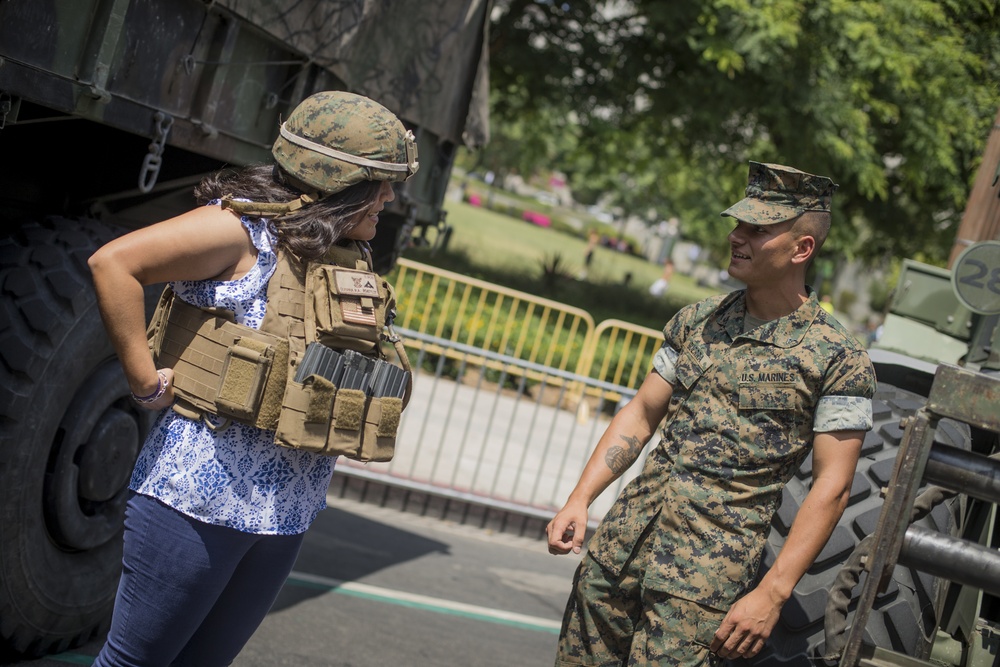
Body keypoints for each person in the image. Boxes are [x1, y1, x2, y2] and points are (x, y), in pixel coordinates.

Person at [87, 90, 418, 667]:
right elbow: (114, 263)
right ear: (338, 178)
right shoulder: (241, 231)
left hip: (287, 507)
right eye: (380, 182)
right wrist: (144, 381)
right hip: (198, 501)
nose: (389, 197)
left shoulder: (341, 251)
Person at [546, 161, 876, 666]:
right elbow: (641, 413)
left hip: (699, 590)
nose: (736, 236)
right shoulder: (699, 320)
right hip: (618, 554)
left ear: (801, 249)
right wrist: (580, 499)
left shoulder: (836, 358)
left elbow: (833, 486)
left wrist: (773, 592)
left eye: (757, 229)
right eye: (738, 223)